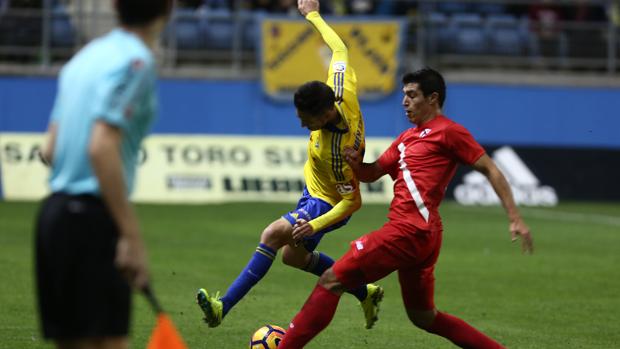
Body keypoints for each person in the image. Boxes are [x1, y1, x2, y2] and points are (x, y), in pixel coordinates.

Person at [278, 68, 534, 349]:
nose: (405, 102)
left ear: (433, 98)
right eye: (404, 95)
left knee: (331, 281)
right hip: (424, 236)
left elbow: (491, 169)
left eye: (412, 95)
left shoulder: (449, 132)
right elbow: (372, 172)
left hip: (408, 231)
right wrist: (354, 163)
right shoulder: (405, 139)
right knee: (424, 317)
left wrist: (515, 217)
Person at [196, 0, 383, 331]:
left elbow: (351, 202)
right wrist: (312, 15)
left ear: (325, 115)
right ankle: (363, 291)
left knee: (271, 235)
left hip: (327, 200)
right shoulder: (342, 88)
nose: (301, 125)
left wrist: (315, 224)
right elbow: (340, 48)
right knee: (292, 257)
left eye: (305, 119)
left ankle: (222, 306)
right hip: (313, 187)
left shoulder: (337, 154)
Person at [34, 1, 172, 348]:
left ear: (114, 7)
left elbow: (49, 150)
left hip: (54, 217)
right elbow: (101, 147)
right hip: (91, 221)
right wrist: (131, 237)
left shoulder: (82, 59)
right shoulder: (138, 62)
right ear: (167, 11)